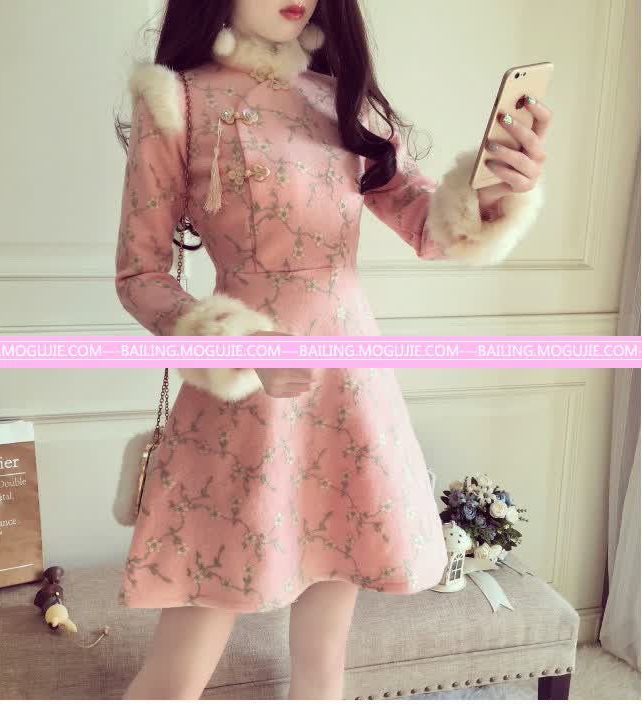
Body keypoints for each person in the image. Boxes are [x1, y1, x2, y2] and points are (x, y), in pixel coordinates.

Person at [113, 0, 551, 700]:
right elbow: (140, 274)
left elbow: (431, 227)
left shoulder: (340, 97)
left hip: (349, 387)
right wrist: (238, 342)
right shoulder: (178, 99)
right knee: (180, 668)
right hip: (242, 401)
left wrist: (497, 191)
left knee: (323, 665)